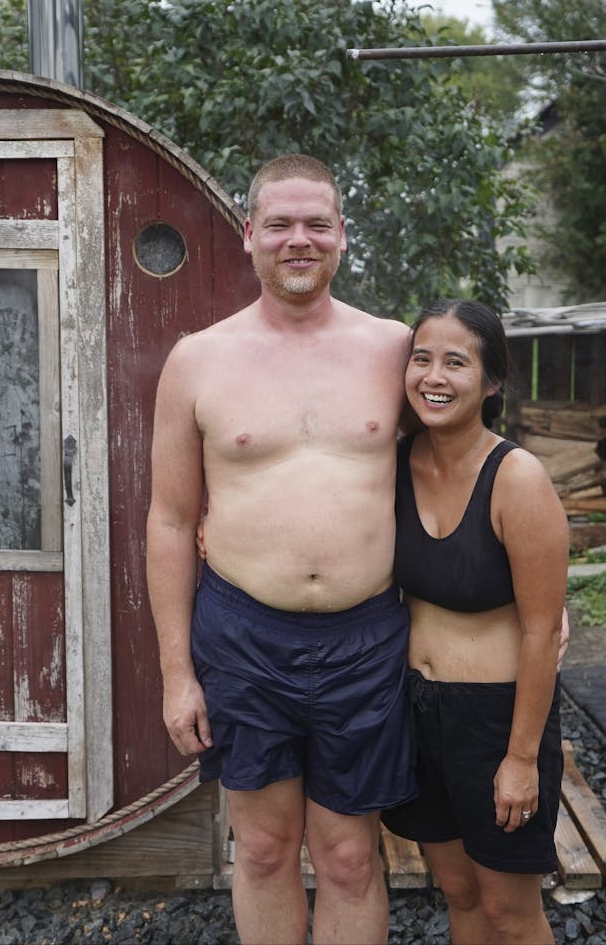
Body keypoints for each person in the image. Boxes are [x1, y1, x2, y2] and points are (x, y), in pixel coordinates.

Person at [146, 153, 414, 944]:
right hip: (243, 637)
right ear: (248, 236)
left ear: (341, 237)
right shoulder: (197, 359)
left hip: (365, 638)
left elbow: (466, 473)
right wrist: (175, 674)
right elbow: (168, 519)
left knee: (348, 856)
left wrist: (532, 593)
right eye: (280, 224)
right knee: (261, 849)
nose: (299, 240)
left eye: (317, 224)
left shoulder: (395, 349)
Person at [381, 298, 567, 944]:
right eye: (422, 358)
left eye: (455, 362)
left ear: (491, 382)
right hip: (414, 710)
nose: (434, 376)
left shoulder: (517, 479)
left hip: (494, 719)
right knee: (459, 893)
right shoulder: (397, 462)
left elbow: (543, 631)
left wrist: (521, 758)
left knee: (509, 912)